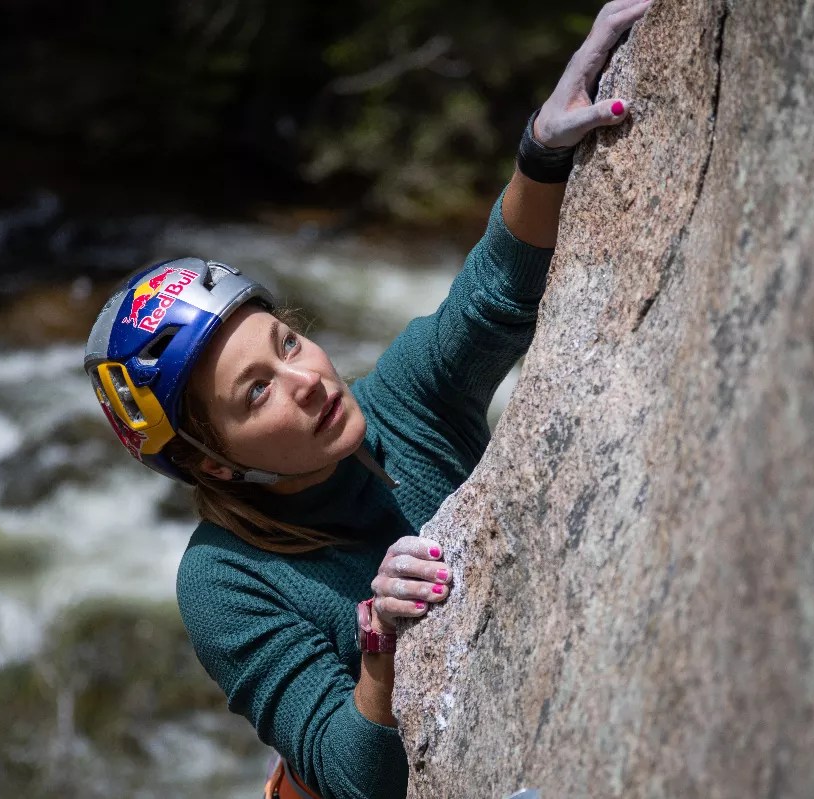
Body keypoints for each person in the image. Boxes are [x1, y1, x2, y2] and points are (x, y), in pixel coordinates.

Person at [84, 3, 652, 797]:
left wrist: (541, 150)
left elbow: (491, 292)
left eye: (285, 344)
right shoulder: (225, 580)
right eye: (257, 393)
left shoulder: (401, 403)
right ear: (210, 458)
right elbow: (354, 777)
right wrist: (381, 648)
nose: (308, 378)